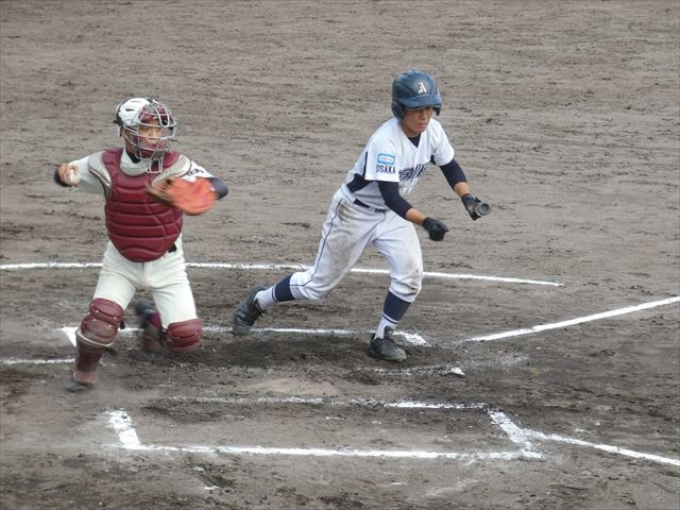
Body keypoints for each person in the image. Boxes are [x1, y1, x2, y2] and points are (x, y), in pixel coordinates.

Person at [231, 69, 489, 362]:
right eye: (418, 109)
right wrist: (426, 222)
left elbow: (450, 167)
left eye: (430, 108)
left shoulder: (433, 131)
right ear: (401, 108)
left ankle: (382, 337)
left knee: (410, 276)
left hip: (392, 216)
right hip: (354, 213)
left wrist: (467, 197)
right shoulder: (386, 142)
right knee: (317, 286)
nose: (425, 115)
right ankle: (260, 300)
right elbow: (391, 197)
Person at [54, 97, 228, 391]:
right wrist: (63, 176)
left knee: (185, 338)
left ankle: (151, 318)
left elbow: (219, 185)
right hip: (120, 262)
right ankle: (84, 373)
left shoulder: (177, 165)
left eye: (159, 130)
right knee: (99, 325)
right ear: (125, 131)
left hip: (168, 263)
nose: (155, 136)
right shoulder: (104, 164)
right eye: (147, 129)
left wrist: (202, 191)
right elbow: (67, 174)